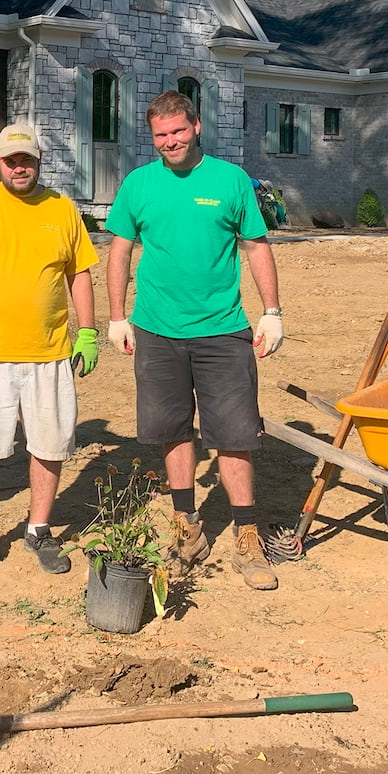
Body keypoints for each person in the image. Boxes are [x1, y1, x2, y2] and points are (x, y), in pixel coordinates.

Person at [104, 91, 285, 591]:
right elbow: (119, 253)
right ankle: (187, 526)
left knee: (234, 434)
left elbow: (255, 246)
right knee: (173, 430)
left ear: (197, 126)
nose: (170, 143)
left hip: (223, 330)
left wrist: (271, 312)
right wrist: (116, 317)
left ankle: (247, 534)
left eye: (178, 132)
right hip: (157, 331)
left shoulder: (230, 181)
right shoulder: (138, 184)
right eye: (160, 136)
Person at [0, 124, 99, 577]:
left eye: (26, 159)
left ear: (39, 159)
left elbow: (80, 274)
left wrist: (86, 332)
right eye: (11, 160)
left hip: (49, 352)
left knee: (49, 443)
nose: (19, 167)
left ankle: (39, 528)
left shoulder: (62, 209)